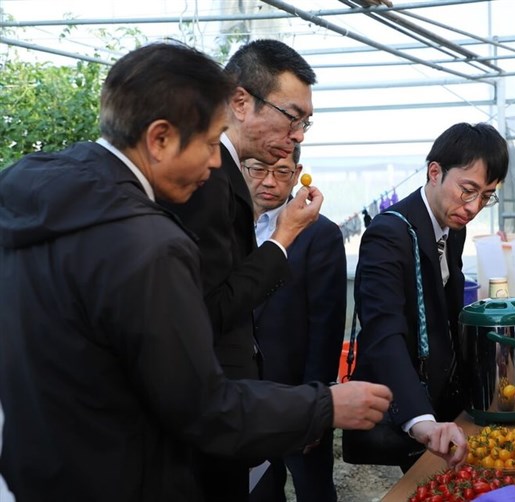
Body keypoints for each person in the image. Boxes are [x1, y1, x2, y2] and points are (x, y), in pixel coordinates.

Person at [0, 42, 392, 501]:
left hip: (40, 469)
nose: (214, 163)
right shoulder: (147, 241)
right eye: (209, 143)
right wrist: (323, 405)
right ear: (160, 138)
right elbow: (199, 405)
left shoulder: (31, 193)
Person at [157, 39, 322, 501]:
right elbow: (210, 307)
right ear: (241, 101)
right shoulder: (210, 180)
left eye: (306, 122)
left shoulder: (223, 175)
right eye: (292, 116)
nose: (299, 135)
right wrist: (283, 238)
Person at [351, 122, 509, 471]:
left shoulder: (454, 228)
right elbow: (383, 332)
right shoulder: (388, 234)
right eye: (467, 190)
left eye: (486, 196)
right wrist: (419, 417)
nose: (472, 206)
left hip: (442, 397)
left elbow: (447, 314)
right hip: (406, 397)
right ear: (434, 172)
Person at [245, 146, 346, 502]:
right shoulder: (229, 228)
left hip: (297, 393)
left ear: (298, 171)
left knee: (313, 487)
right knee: (258, 489)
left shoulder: (321, 235)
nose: (269, 182)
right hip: (245, 396)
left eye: (282, 172)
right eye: (258, 170)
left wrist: (316, 403)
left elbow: (326, 327)